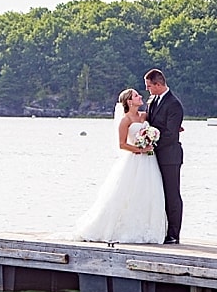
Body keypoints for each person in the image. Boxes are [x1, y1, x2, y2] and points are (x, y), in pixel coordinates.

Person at [73, 88, 167, 243]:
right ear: (129, 101)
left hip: (149, 161)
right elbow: (122, 144)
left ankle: (147, 227)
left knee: (149, 192)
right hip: (135, 159)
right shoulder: (125, 121)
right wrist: (140, 149)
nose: (140, 97)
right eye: (136, 96)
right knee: (129, 193)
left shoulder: (144, 116)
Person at [144, 68, 184, 244]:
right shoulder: (153, 100)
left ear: (158, 85)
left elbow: (170, 133)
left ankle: (173, 234)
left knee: (171, 194)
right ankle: (158, 230)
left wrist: (152, 143)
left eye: (149, 86)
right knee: (156, 193)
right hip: (153, 155)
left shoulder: (174, 104)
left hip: (169, 157)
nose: (147, 90)